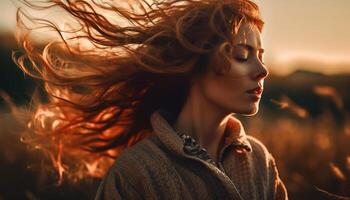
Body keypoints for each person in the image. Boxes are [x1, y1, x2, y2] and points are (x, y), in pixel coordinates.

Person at [14, 0, 287, 199]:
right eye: (242, 55)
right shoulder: (136, 173)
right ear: (195, 64)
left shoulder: (260, 161)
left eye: (261, 57)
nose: (262, 71)